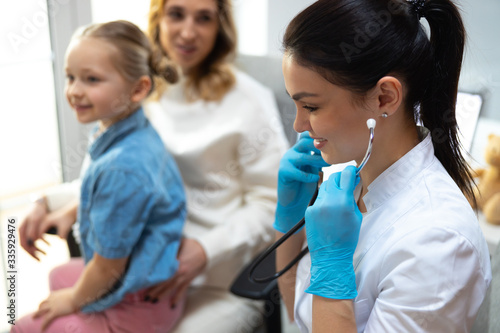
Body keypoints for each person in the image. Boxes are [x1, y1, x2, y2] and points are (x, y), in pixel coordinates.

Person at [19, 0, 289, 331]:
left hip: (216, 280)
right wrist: (49, 203)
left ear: (220, 27)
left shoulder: (249, 101)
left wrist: (205, 250)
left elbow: (272, 202)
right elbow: (124, 178)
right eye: (177, 14)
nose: (188, 32)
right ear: (159, 18)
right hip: (139, 271)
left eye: (203, 18)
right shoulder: (140, 89)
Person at [274, 0, 492, 332]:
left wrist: (333, 266)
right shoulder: (345, 184)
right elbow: (297, 317)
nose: (299, 126)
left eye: (311, 106)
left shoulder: (438, 243)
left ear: (384, 98)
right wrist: (289, 223)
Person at [13, 20, 186, 332]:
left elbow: (108, 268)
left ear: (138, 89)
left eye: (91, 79)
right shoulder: (121, 129)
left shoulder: (124, 168)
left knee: (25, 326)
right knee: (57, 276)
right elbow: (110, 196)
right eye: (71, 76)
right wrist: (72, 210)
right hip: (139, 282)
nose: (74, 91)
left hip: (136, 308)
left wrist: (73, 300)